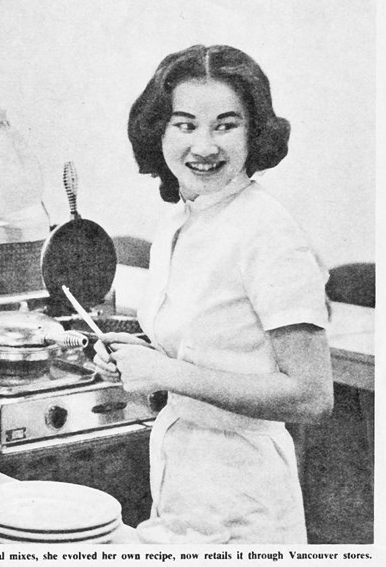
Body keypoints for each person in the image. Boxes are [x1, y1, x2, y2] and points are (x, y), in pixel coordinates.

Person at [94, 45, 333, 544]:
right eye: (185, 124)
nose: (204, 145)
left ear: (255, 132)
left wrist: (168, 374)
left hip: (247, 498)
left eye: (226, 125)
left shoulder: (268, 230)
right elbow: (208, 346)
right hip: (181, 480)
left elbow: (312, 395)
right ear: (158, 131)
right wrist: (138, 356)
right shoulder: (180, 220)